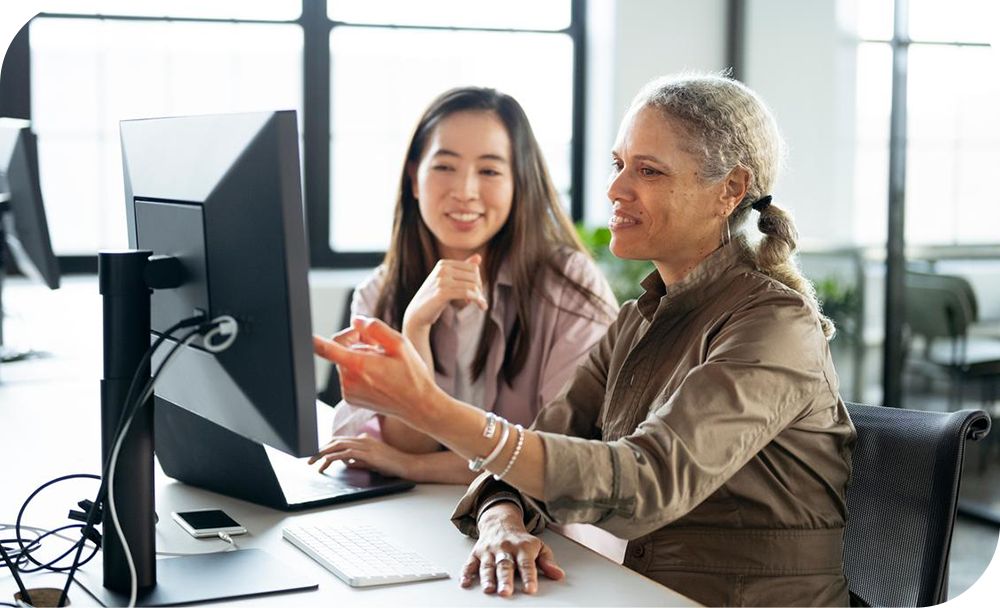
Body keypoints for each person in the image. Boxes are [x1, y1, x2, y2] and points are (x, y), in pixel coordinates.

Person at [313, 72, 856, 606]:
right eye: (619, 165)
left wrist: (429, 409)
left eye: (648, 170)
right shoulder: (635, 322)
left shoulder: (774, 325)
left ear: (729, 191)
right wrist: (501, 521)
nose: (615, 189)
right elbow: (543, 452)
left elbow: (645, 484)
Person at [309, 86, 618, 485]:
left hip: (532, 524)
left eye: (489, 170)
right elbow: (407, 442)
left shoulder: (568, 286)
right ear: (415, 179)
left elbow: (562, 457)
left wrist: (413, 469)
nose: (465, 191)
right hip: (415, 515)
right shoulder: (380, 290)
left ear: (518, 183)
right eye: (444, 166)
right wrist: (415, 328)